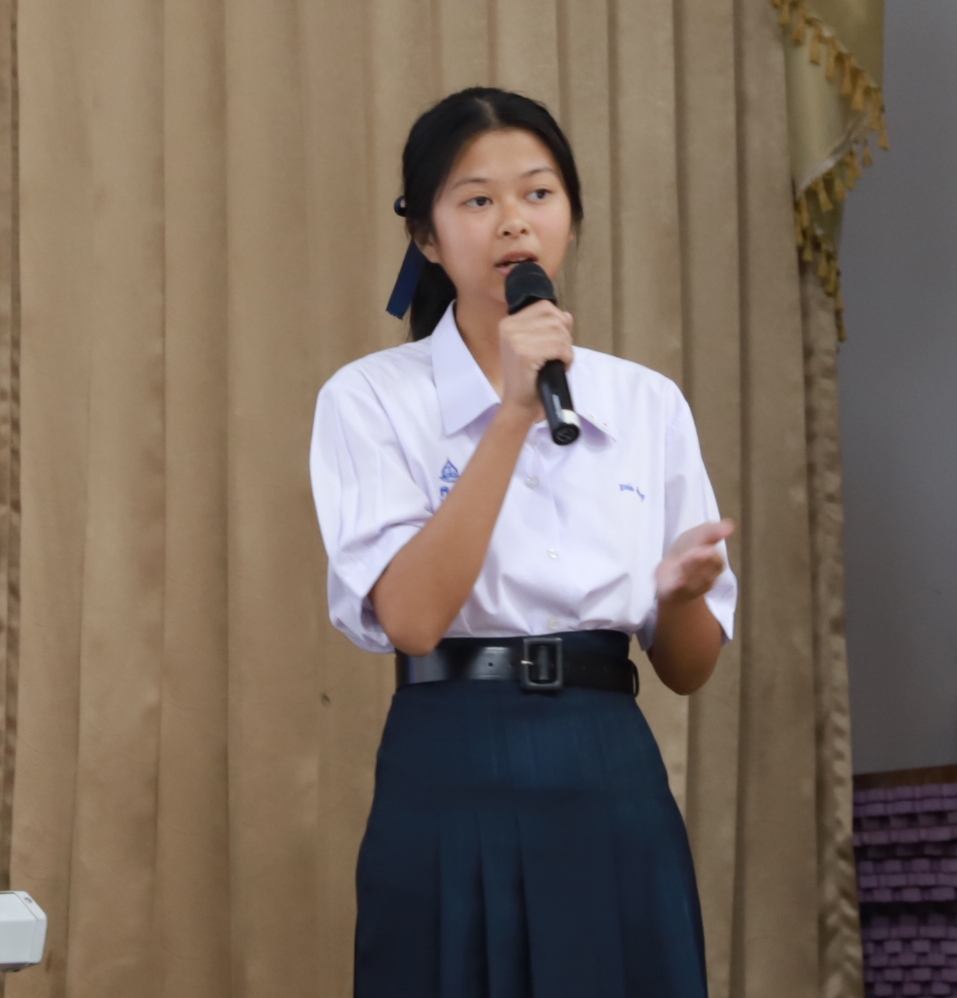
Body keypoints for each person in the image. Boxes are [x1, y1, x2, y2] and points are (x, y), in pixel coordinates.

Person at [310, 87, 738, 998]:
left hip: (609, 763)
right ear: (426, 236)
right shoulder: (370, 398)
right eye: (477, 200)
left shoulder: (647, 403)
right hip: (450, 758)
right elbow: (412, 621)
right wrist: (510, 412)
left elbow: (690, 669)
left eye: (539, 194)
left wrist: (679, 596)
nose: (513, 221)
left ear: (571, 218)